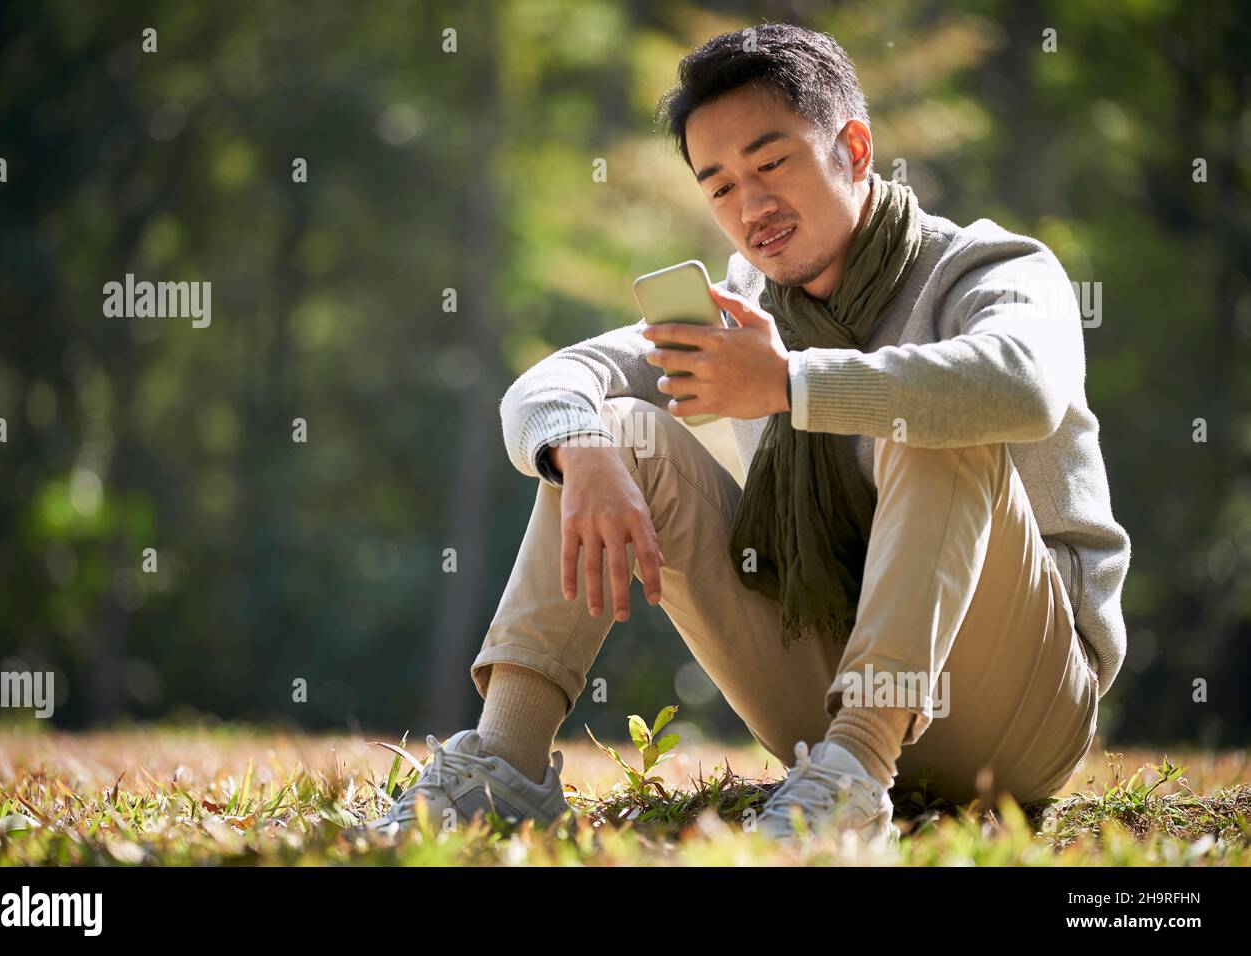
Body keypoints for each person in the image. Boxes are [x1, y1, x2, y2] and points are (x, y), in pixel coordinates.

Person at [367, 23, 1131, 849]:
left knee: (933, 410)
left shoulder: (991, 271)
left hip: (1021, 707)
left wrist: (790, 384)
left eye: (772, 163)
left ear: (856, 147)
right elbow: (548, 384)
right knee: (614, 425)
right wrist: (579, 450)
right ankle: (504, 766)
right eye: (720, 186)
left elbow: (1021, 386)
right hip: (818, 692)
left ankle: (856, 776)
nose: (751, 208)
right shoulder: (744, 309)